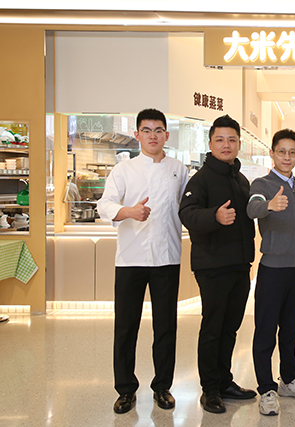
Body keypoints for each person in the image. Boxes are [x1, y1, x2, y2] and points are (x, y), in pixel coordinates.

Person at [96, 108, 189, 414]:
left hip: (167, 257)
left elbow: (187, 208)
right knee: (126, 327)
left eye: (158, 130)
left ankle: (162, 387)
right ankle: (125, 390)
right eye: (146, 130)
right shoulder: (124, 170)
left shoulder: (179, 169)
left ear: (166, 135)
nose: (153, 136)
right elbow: (104, 205)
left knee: (166, 327)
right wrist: (130, 212)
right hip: (130, 258)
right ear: (137, 135)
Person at [178, 114, 256, 414]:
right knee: (213, 328)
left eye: (231, 139)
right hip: (212, 266)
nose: (226, 145)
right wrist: (214, 216)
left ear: (239, 144)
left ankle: (225, 381)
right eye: (220, 140)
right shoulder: (200, 179)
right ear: (210, 144)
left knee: (230, 328)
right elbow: (187, 213)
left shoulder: (240, 179)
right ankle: (209, 389)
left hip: (239, 265)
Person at [246, 128, 295, 416]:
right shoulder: (262, 184)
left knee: (290, 329)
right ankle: (266, 389)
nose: (287, 156)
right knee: (266, 331)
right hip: (273, 269)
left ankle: (288, 379)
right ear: (272, 153)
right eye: (281, 151)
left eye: (292, 152)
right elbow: (252, 209)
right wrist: (269, 205)